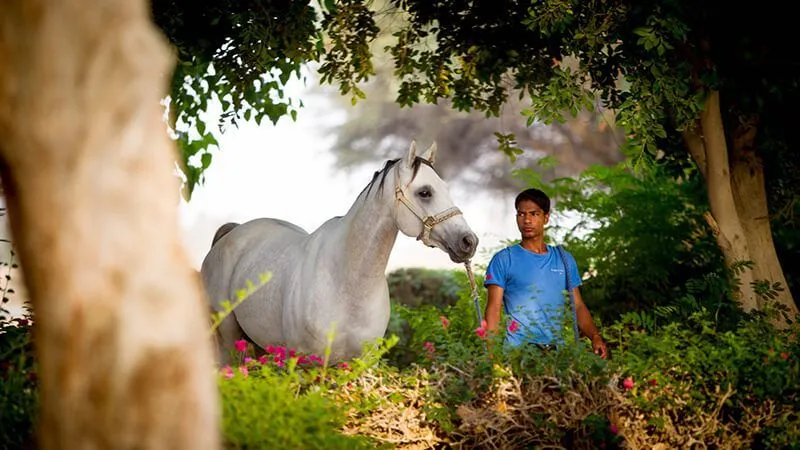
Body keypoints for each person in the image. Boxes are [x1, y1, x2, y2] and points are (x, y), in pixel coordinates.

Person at [483, 188, 608, 358]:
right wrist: (492, 355)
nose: (526, 220)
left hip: (557, 353)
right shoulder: (504, 259)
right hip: (519, 353)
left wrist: (595, 336)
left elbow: (577, 305)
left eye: (534, 214)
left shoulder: (564, 259)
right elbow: (494, 309)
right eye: (521, 214)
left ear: (546, 217)